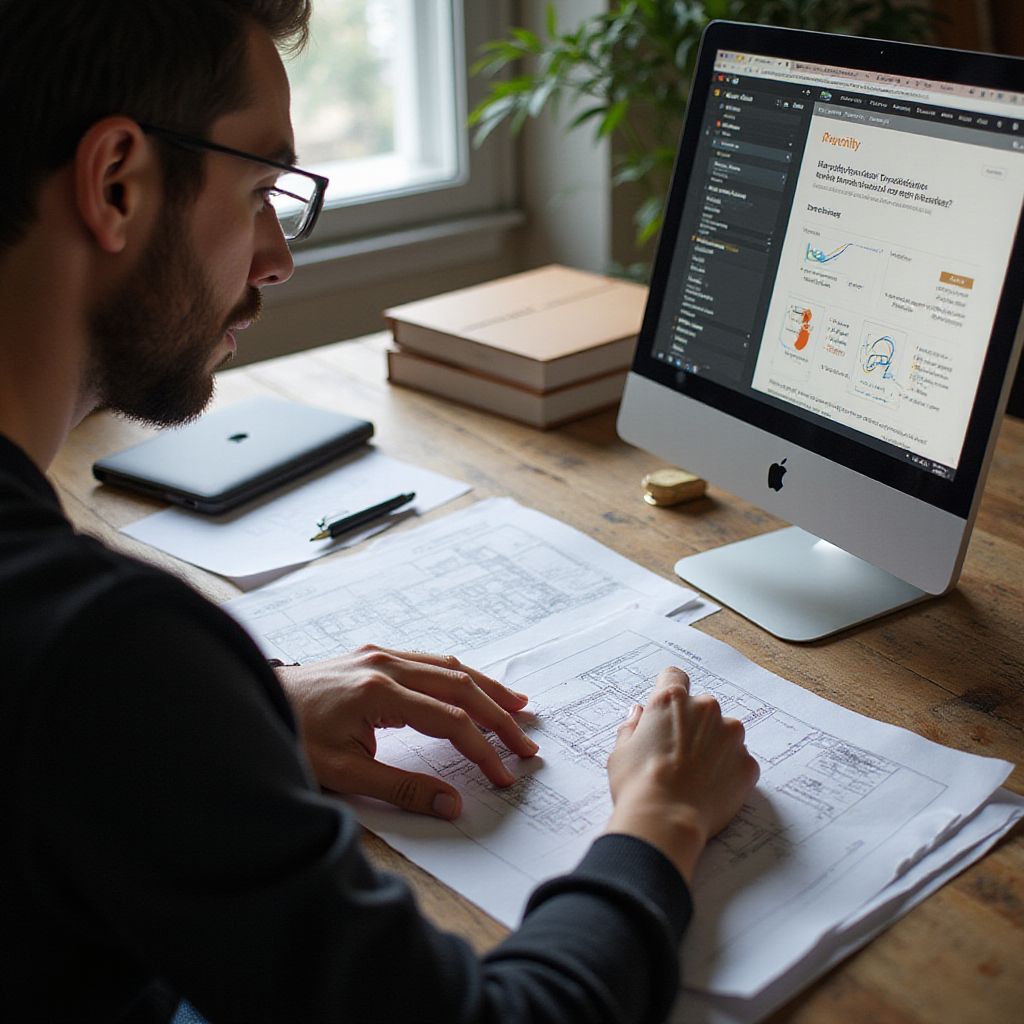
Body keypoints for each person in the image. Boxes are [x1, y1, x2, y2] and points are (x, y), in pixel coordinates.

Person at [0, 1, 760, 1021]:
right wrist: (658, 820)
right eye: (263, 188)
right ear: (117, 183)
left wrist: (239, 713)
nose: (277, 258)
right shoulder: (102, 652)